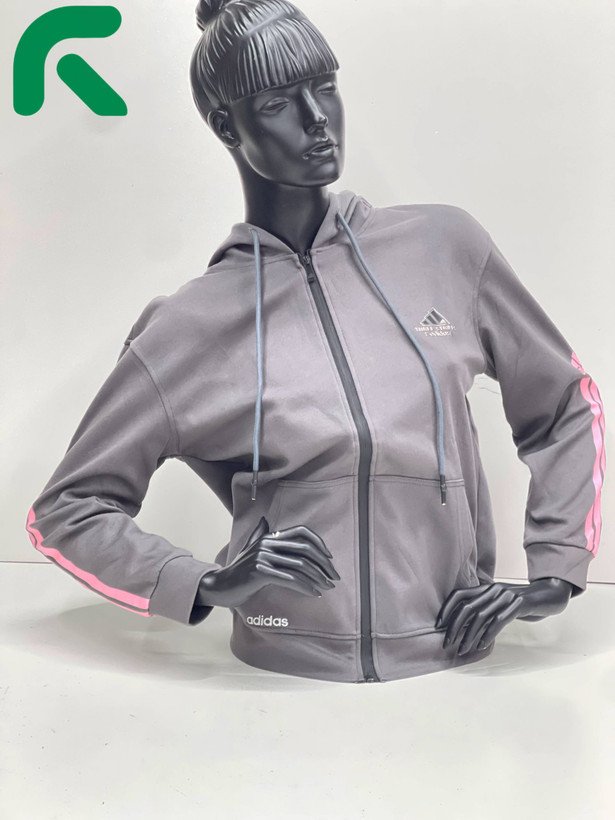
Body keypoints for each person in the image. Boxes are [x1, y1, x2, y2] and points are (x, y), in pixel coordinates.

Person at [26, 0, 605, 683]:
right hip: (272, 677)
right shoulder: (189, 325)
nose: (316, 118)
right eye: (278, 102)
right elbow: (67, 509)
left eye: (324, 87)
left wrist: (555, 575)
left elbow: (566, 404)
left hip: (455, 667)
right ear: (227, 125)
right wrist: (202, 583)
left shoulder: (443, 248)